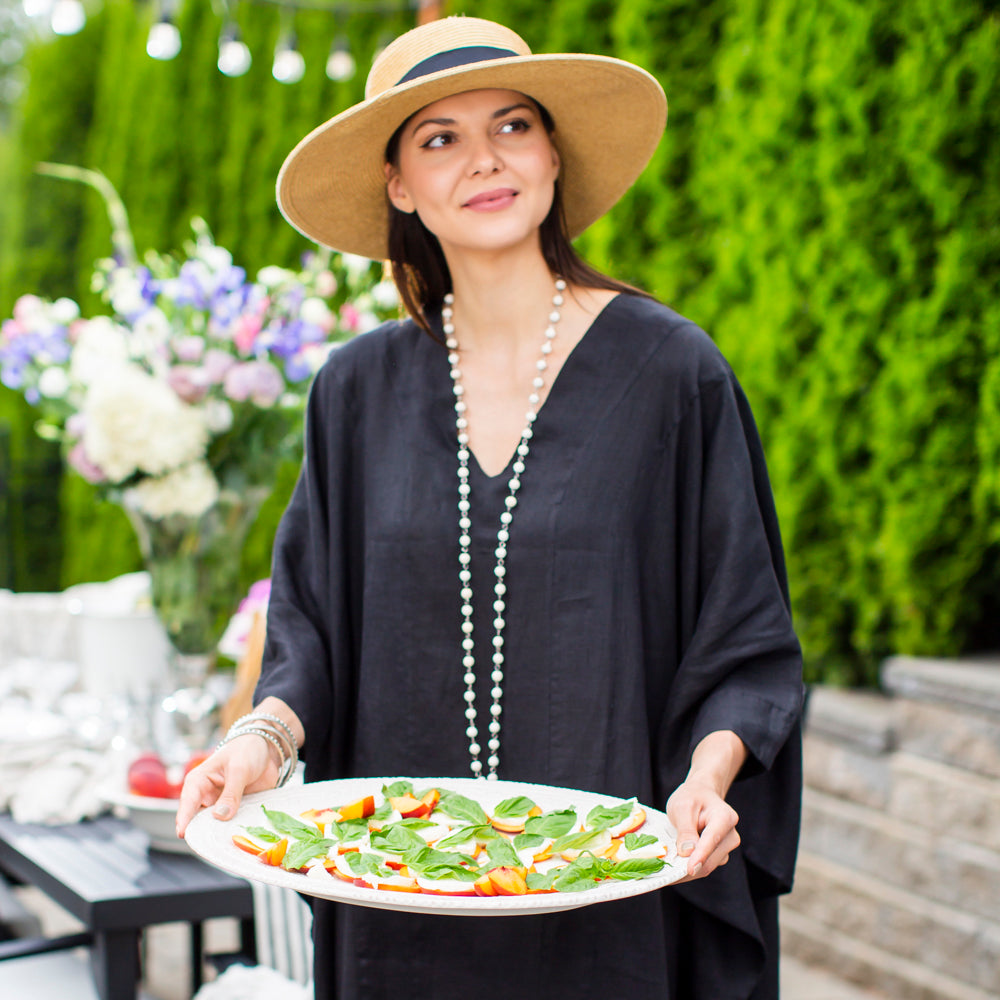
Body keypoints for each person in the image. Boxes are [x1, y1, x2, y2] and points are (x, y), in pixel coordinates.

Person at [177, 16, 804, 1000]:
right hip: (398, 914)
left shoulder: (672, 374)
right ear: (398, 184)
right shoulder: (355, 391)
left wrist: (705, 783)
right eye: (439, 138)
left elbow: (744, 644)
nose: (485, 160)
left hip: (612, 911)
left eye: (512, 125)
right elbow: (312, 636)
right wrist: (257, 742)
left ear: (553, 151)